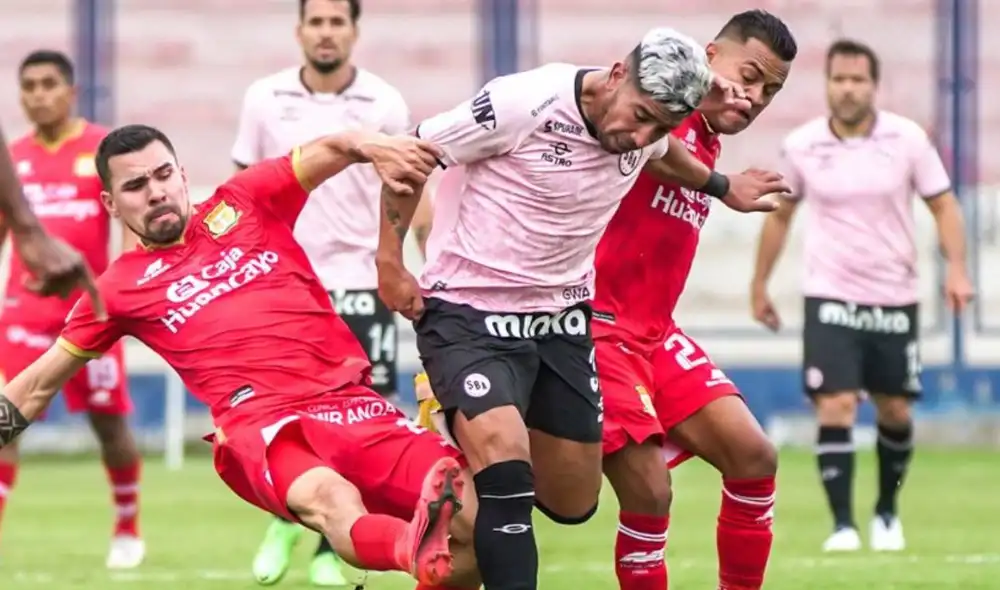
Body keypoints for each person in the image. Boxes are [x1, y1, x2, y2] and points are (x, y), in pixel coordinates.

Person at [377, 26, 790, 590]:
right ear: (620, 74)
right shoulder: (532, 101)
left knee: (581, 498)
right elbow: (416, 156)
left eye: (769, 91)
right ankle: (471, 456)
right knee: (534, 483)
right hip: (530, 317)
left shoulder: (668, 133)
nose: (639, 135)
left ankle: (460, 472)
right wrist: (391, 260)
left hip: (597, 325)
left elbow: (665, 152)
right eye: (747, 77)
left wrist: (722, 185)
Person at [0, 123, 483, 590]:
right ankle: (411, 543)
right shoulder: (117, 290)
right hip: (263, 426)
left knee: (480, 531)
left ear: (182, 175)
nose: (155, 192)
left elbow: (332, 146)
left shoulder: (245, 201)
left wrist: (372, 146)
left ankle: (424, 545)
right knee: (332, 500)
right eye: (136, 185)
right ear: (109, 203)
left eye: (164, 174)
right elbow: (36, 384)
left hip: (352, 403)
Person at [590, 11, 796, 590]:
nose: (755, 97)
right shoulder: (652, 115)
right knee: (650, 492)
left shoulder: (705, 142)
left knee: (755, 457)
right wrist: (695, 88)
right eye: (749, 75)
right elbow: (623, 102)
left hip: (653, 334)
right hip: (593, 326)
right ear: (710, 56)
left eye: (770, 90)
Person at [750, 39, 973, 552]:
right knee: (836, 406)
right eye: (839, 79)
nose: (847, 88)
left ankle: (887, 513)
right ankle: (843, 526)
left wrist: (957, 269)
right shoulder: (803, 144)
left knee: (895, 410)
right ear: (826, 83)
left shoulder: (908, 140)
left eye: (857, 79)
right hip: (829, 293)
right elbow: (781, 216)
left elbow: (944, 205)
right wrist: (760, 284)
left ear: (875, 85)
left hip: (894, 295)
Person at [231, 0, 411, 584]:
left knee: (362, 416)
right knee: (285, 413)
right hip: (287, 286)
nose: (327, 32)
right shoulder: (264, 97)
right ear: (300, 30)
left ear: (354, 32)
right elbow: (246, 192)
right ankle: (289, 520)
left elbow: (402, 190)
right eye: (318, 21)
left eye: (338, 22)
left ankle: (331, 550)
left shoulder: (384, 101)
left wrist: (405, 263)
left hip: (362, 280)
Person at [0, 50, 144, 568]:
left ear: (71, 91)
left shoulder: (101, 152)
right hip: (22, 315)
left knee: (110, 426)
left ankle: (128, 525)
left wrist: (128, 295)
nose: (38, 94)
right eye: (29, 86)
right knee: (4, 424)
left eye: (48, 84)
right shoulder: (11, 157)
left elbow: (129, 228)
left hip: (91, 315)